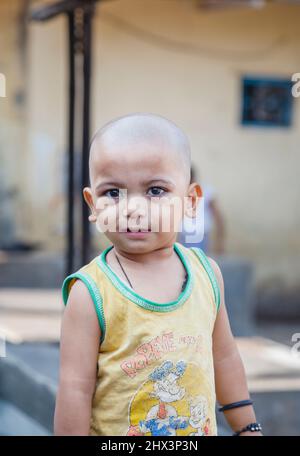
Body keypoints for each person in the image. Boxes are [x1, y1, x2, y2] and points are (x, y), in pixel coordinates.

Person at [54, 113, 262, 436]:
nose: (133, 208)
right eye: (113, 193)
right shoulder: (91, 293)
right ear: (92, 204)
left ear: (190, 201)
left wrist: (248, 428)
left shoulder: (206, 275)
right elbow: (74, 390)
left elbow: (224, 358)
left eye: (155, 190)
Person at [177, 166, 225, 255]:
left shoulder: (206, 191)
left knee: (198, 262)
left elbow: (218, 216)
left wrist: (220, 240)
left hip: (200, 235)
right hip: (184, 236)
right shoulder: (180, 192)